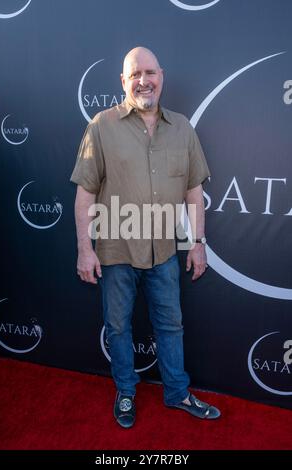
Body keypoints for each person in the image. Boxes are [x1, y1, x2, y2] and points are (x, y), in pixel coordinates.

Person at [71, 46, 221, 428]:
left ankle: (177, 393)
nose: (143, 80)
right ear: (123, 81)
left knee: (171, 326)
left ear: (162, 76)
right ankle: (125, 392)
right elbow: (85, 194)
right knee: (118, 327)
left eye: (149, 72)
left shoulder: (183, 128)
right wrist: (84, 250)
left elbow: (193, 193)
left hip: (166, 252)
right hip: (116, 250)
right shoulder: (100, 127)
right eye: (135, 74)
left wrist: (198, 244)